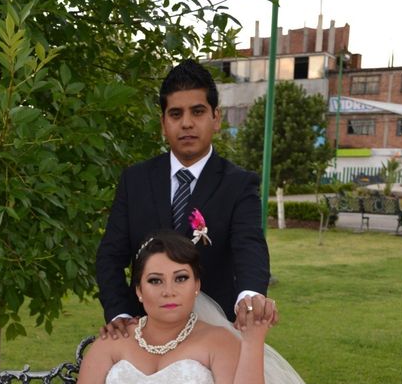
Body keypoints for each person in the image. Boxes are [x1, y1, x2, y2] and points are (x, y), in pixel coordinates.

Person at [67, 231, 340, 384]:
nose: (169, 291)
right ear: (138, 290)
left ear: (196, 285)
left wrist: (253, 340)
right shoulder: (112, 341)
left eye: (181, 278)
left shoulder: (218, 341)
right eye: (155, 281)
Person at [96, 59, 274, 336]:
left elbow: (249, 247)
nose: (187, 123)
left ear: (216, 118)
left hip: (214, 333)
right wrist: (120, 312)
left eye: (198, 111)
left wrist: (249, 297)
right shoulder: (135, 180)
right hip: (143, 333)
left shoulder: (238, 184)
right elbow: (110, 255)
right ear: (163, 123)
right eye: (176, 114)